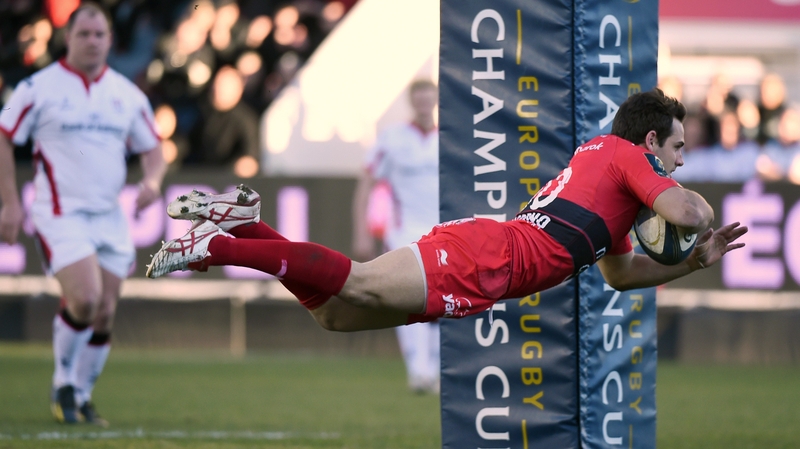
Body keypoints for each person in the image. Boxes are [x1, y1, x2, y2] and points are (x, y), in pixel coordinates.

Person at [145, 89, 747, 336]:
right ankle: (215, 247)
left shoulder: (615, 190)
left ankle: (244, 222)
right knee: (356, 281)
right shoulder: (624, 154)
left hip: (492, 272)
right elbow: (687, 211)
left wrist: (692, 264)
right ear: (650, 142)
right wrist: (700, 211)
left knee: (334, 315)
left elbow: (622, 274)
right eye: (677, 148)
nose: (681, 161)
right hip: (491, 254)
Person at [0, 3, 166, 426]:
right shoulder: (37, 87)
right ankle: (63, 384)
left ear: (110, 40)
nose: (92, 41)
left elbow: (153, 148)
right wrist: (10, 202)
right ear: (68, 38)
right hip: (60, 213)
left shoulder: (126, 94)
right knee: (86, 298)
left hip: (110, 216)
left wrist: (152, 182)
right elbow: (3, 135)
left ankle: (82, 396)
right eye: (84, 34)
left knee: (105, 311)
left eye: (99, 34)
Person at [352, 79, 440, 394]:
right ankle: (418, 370)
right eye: (419, 98)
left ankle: (434, 370)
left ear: (436, 100)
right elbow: (366, 184)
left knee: (441, 300)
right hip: (405, 232)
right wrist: (362, 232)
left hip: (442, 231)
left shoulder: (447, 139)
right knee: (411, 299)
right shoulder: (392, 138)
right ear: (411, 101)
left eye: (429, 98)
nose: (424, 104)